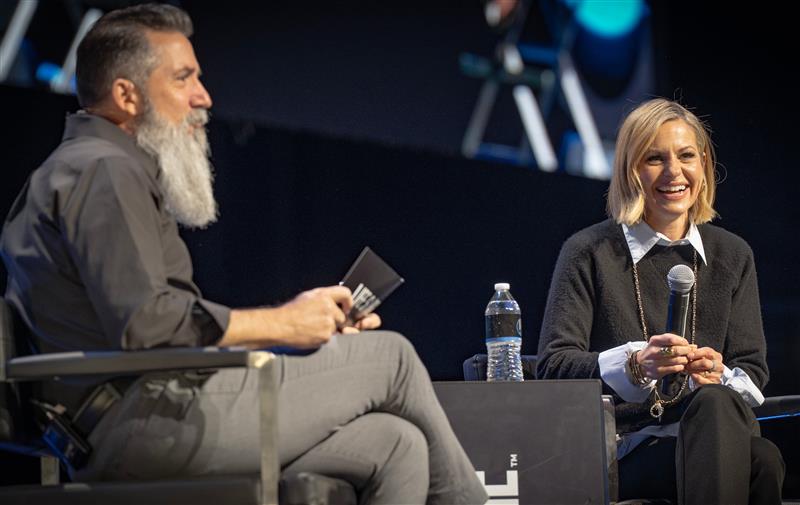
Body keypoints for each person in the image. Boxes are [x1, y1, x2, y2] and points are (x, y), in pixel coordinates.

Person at [0, 4, 488, 504]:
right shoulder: (103, 170)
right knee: (393, 359)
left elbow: (157, 333)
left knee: (394, 444)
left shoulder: (88, 168)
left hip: (151, 415)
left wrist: (300, 328)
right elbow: (146, 323)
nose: (203, 97)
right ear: (126, 95)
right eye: (184, 78)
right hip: (144, 425)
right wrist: (284, 325)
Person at [536, 98, 785, 504]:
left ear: (703, 164)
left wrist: (717, 375)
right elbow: (553, 365)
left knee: (730, 419)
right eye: (655, 158)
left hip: (712, 429)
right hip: (627, 449)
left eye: (686, 156)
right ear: (631, 170)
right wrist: (635, 364)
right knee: (764, 461)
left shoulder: (733, 255)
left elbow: (752, 370)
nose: (674, 172)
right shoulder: (589, 251)